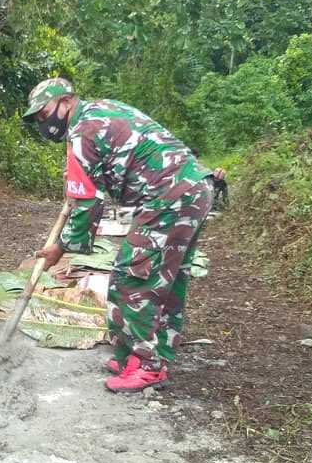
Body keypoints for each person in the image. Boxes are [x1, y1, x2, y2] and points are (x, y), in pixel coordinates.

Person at [23, 78, 215, 393]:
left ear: (67, 101)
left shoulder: (83, 129)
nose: (44, 123)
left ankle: (146, 365)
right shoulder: (98, 112)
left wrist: (60, 247)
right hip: (193, 190)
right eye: (39, 120)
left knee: (132, 278)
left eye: (44, 113)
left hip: (169, 196)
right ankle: (149, 354)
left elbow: (88, 205)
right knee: (168, 277)